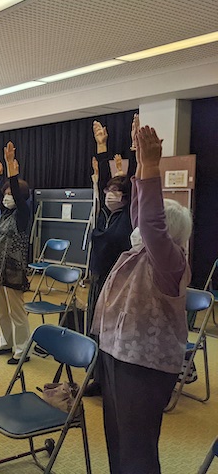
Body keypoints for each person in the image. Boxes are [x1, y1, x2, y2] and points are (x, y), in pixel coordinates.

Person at [92, 125, 192, 474]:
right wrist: (137, 165)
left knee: (137, 447)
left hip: (144, 364)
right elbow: (141, 214)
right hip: (116, 353)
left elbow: (148, 222)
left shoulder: (169, 261)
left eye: (155, 229)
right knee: (117, 437)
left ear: (167, 234)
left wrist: (151, 166)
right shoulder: (139, 253)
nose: (140, 227)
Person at [83, 117, 135, 397]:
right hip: (99, 278)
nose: (109, 194)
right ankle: (99, 378)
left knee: (114, 332)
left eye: (116, 192)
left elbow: (136, 183)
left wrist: (136, 149)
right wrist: (101, 146)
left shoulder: (128, 217)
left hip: (120, 285)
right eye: (108, 191)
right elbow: (103, 179)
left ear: (126, 197)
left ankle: (115, 381)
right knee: (96, 329)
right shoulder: (105, 215)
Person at [0, 143, 32, 364]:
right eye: (5, 194)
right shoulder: (4, 213)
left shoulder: (23, 214)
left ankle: (22, 349)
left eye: (11, 194)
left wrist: (12, 173)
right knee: (2, 311)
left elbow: (16, 194)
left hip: (13, 270)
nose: (6, 197)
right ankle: (6, 342)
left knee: (16, 312)